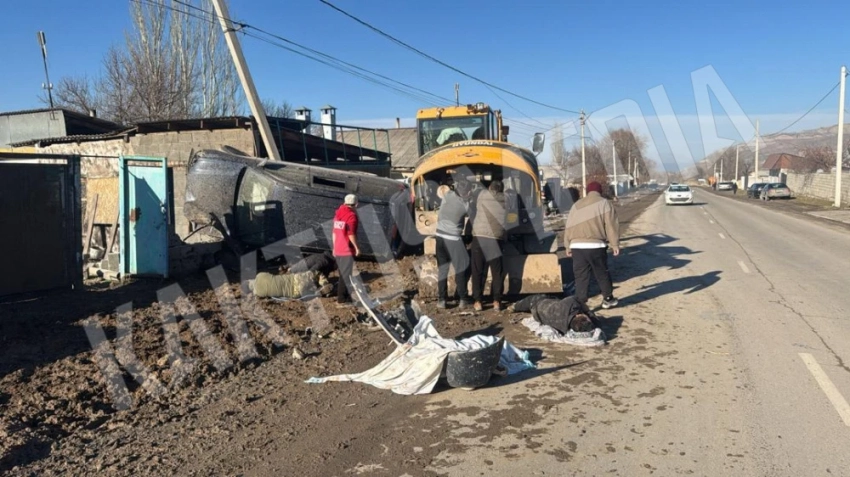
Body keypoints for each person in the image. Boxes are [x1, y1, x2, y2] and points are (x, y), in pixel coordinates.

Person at [564, 181, 620, 309]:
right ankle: (608, 299)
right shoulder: (604, 203)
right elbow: (611, 225)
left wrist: (568, 245)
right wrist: (614, 244)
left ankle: (580, 302)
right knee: (601, 272)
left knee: (581, 275)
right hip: (595, 245)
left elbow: (569, 226)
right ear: (599, 191)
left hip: (576, 246)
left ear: (588, 191)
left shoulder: (577, 205)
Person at [435, 179, 474, 309]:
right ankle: (463, 299)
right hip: (453, 240)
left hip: (439, 237)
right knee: (461, 268)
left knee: (443, 270)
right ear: (467, 192)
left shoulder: (447, 196)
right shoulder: (466, 205)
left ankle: (442, 300)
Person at [470, 180, 507, 312]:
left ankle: (478, 301)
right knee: (497, 272)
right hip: (496, 239)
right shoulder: (507, 200)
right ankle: (496, 301)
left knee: (477, 270)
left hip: (479, 238)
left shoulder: (482, 195)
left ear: (490, 188)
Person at [332, 194, 360, 304]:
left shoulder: (338, 214)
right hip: (347, 250)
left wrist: (334, 247)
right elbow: (351, 233)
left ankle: (345, 297)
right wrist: (357, 247)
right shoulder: (351, 216)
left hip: (338, 248)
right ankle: (342, 299)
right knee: (346, 276)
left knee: (342, 275)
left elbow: (334, 232)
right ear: (356, 204)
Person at [248, 270, 333, 299]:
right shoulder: (260, 275)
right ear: (249, 281)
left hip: (295, 294)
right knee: (316, 272)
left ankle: (316, 293)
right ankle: (324, 283)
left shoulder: (258, 293)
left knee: (309, 290)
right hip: (296, 280)